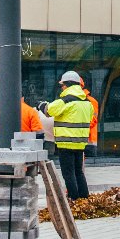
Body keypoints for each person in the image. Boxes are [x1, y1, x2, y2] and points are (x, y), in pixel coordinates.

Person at [45, 71, 97, 201]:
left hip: (66, 143)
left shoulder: (66, 100)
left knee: (68, 173)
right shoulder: (87, 102)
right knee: (79, 172)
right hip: (80, 143)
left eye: (62, 85)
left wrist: (42, 105)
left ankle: (73, 198)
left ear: (67, 85)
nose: (62, 87)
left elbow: (50, 110)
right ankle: (84, 198)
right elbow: (90, 119)